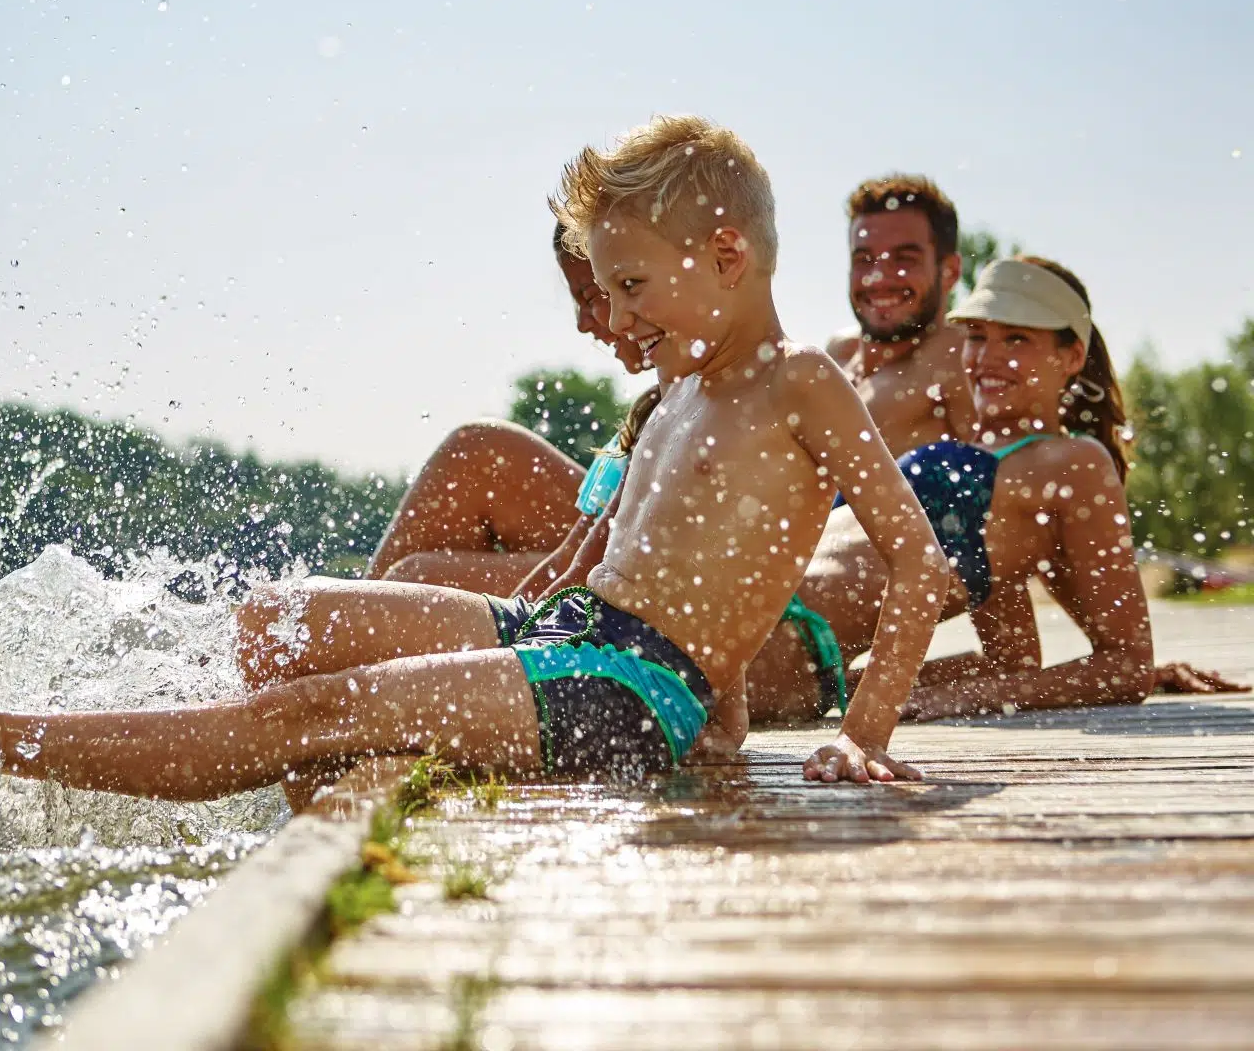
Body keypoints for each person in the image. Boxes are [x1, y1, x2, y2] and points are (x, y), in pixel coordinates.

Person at [0, 115, 949, 801]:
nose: (616, 319)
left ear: (724, 254)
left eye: (629, 287)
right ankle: (176, 760)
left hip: (624, 684)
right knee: (284, 619)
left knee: (315, 716)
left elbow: (917, 563)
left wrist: (862, 735)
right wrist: (726, 727)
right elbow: (697, 557)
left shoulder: (800, 382)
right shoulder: (680, 389)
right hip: (571, 634)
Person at [744, 257, 1163, 726]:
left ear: (1071, 356)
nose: (986, 358)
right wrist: (877, 685)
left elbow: (1126, 665)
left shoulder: (1074, 463)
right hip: (765, 638)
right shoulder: (992, 472)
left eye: (1017, 339)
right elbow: (1011, 662)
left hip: (766, 644)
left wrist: (962, 698)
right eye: (978, 336)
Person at [365, 223, 651, 595]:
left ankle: (342, 628)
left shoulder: (698, 392)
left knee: (412, 584)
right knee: (477, 450)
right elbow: (575, 554)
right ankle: (338, 622)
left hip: (643, 573)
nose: (583, 323)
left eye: (590, 294)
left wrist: (520, 625)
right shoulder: (664, 398)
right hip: (613, 543)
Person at [827, 176, 977, 455]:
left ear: (950, 271)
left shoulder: (958, 355)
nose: (878, 278)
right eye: (864, 260)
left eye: (904, 259)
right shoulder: (839, 353)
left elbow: (1013, 477)